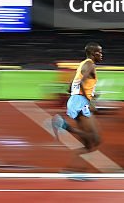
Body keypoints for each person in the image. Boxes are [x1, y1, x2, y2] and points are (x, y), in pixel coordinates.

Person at [50, 42, 103, 173]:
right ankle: (64, 125)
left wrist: (91, 94)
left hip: (76, 101)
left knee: (90, 144)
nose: (101, 55)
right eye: (99, 52)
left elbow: (71, 86)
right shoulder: (90, 64)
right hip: (80, 102)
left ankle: (74, 169)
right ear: (92, 53)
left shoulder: (83, 64)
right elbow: (80, 84)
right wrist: (89, 101)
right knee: (94, 139)